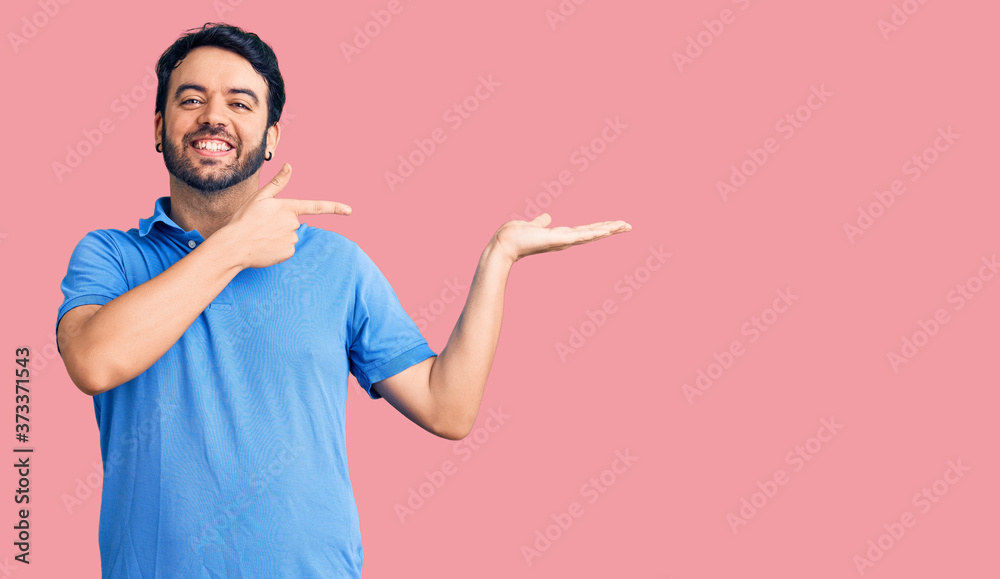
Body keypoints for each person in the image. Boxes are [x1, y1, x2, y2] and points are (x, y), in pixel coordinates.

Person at [56, 22, 630, 578]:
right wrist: (234, 246)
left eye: (240, 103)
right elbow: (93, 360)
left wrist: (498, 259)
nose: (214, 116)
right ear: (158, 127)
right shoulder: (109, 257)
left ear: (271, 138)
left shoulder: (337, 265)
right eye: (191, 99)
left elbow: (447, 409)